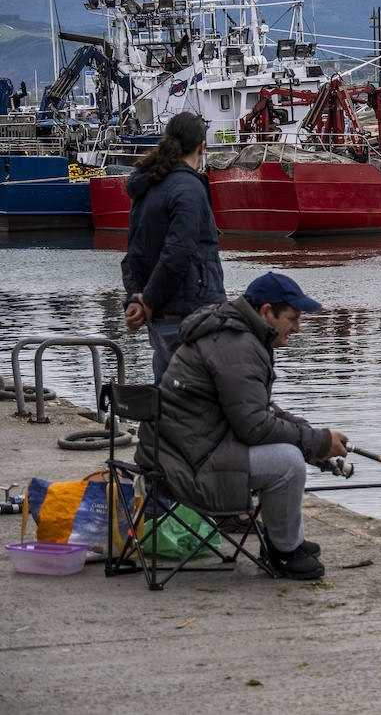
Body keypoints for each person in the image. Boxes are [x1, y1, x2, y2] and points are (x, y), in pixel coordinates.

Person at [137, 272, 348, 580]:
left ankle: (287, 542)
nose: (297, 328)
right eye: (292, 318)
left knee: (291, 448)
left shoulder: (233, 334)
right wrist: (315, 443)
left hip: (182, 451)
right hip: (191, 463)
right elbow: (254, 427)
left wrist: (314, 436)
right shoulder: (238, 345)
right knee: (288, 464)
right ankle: (283, 553)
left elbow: (254, 408)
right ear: (266, 312)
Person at [121, 111, 225, 383]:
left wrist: (137, 298)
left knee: (167, 401)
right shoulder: (188, 188)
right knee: (200, 404)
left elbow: (134, 255)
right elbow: (178, 253)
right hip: (193, 315)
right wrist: (149, 302)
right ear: (203, 146)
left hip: (161, 320)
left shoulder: (147, 188)